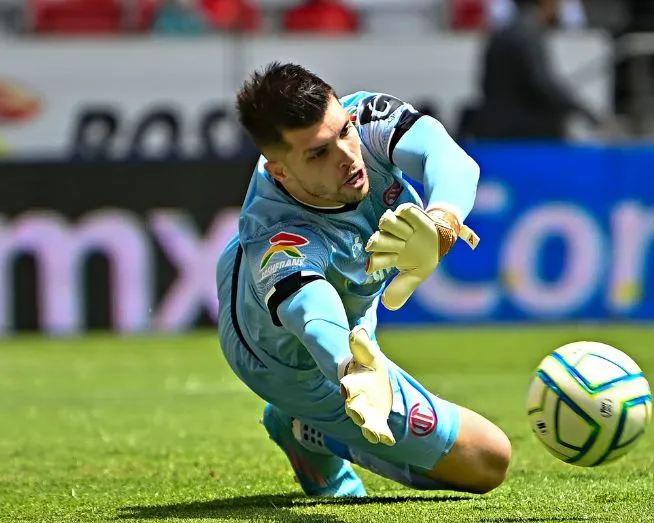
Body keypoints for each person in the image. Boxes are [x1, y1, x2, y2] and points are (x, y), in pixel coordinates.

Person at [215, 62, 512, 498]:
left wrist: (443, 222)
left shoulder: (364, 119)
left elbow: (449, 158)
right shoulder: (276, 237)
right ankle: (308, 428)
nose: (347, 156)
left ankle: (309, 426)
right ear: (279, 171)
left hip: (346, 303)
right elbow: (311, 313)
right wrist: (351, 368)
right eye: (319, 154)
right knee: (488, 460)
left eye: (343, 131)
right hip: (284, 360)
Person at [472, 0, 603, 140]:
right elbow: (543, 84)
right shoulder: (529, 34)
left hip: (493, 123)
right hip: (517, 130)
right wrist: (586, 112)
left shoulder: (502, 33)